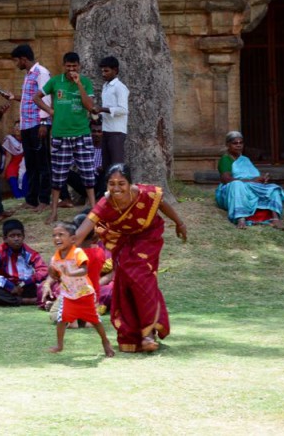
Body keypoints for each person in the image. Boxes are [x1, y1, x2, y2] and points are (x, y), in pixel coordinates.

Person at [74, 164, 188, 353]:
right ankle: (133, 334)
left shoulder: (146, 193)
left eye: (121, 183)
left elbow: (162, 204)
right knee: (126, 278)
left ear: (130, 183)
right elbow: (82, 230)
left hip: (148, 236)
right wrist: (64, 251)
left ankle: (148, 334)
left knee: (141, 274)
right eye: (111, 184)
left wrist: (180, 223)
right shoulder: (105, 203)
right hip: (124, 240)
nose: (116, 188)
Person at [34, 52, 99, 224]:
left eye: (74, 66)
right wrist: (49, 111)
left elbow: (90, 106)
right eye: (68, 66)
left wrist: (79, 85)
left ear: (79, 66)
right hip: (60, 135)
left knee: (88, 174)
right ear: (64, 66)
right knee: (58, 176)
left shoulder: (85, 82)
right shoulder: (55, 81)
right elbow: (36, 97)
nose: (71, 69)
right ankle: (54, 212)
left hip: (82, 134)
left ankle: (94, 211)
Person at [46, 221, 115, 357]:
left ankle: (105, 341)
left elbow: (84, 270)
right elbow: (54, 272)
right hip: (68, 295)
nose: (57, 238)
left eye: (61, 235)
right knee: (61, 320)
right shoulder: (56, 257)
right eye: (54, 235)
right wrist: (52, 271)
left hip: (84, 294)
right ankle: (60, 345)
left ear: (72, 239)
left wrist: (70, 273)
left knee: (95, 321)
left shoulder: (77, 252)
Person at [1, 44, 52, 211]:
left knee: (43, 164)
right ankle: (31, 199)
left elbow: (47, 98)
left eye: (16, 60)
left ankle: (44, 199)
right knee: (31, 164)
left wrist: (44, 123)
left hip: (38, 124)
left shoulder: (41, 73)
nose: (16, 64)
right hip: (27, 125)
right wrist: (14, 97)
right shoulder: (28, 75)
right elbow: (30, 99)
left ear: (23, 59)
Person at [215, 131, 284, 229]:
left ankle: (275, 220)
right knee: (237, 185)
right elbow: (226, 179)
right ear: (228, 145)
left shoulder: (245, 159)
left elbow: (252, 176)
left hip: (249, 185)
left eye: (241, 143)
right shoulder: (225, 159)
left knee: (274, 188)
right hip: (230, 189)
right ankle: (240, 219)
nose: (238, 145)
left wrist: (261, 178)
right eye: (235, 143)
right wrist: (251, 181)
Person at [0, 219, 49, 306]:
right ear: (5, 239)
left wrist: (25, 283)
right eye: (12, 236)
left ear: (23, 237)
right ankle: (25, 301)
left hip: (25, 287)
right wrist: (8, 285)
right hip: (6, 287)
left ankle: (4, 300)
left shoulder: (30, 253)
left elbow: (43, 270)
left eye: (19, 235)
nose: (16, 239)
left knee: (47, 283)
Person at [96, 56, 129, 171]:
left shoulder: (120, 87)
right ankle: (107, 189)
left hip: (117, 132)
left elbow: (123, 110)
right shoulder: (105, 87)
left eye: (106, 71)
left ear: (116, 70)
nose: (103, 74)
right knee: (106, 166)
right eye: (102, 71)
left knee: (116, 166)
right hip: (106, 131)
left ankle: (120, 189)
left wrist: (102, 109)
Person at [65, 118, 106, 204]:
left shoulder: (107, 149)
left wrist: (104, 167)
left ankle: (99, 199)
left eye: (99, 131)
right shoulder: (83, 147)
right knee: (60, 170)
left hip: (100, 182)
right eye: (93, 131)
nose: (96, 134)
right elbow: (69, 162)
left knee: (106, 173)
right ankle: (66, 199)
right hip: (84, 181)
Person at [2, 121, 26, 199]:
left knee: (25, 174)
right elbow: (8, 157)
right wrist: (4, 171)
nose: (17, 128)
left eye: (19, 126)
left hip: (24, 162)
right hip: (14, 162)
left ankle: (25, 196)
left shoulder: (27, 139)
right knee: (11, 173)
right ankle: (18, 197)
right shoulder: (10, 140)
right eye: (15, 127)